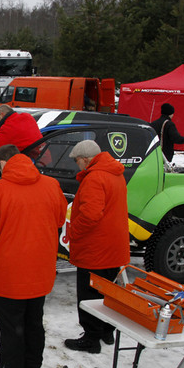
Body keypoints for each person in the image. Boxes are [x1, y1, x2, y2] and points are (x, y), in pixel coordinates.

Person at [0, 146, 67, 368]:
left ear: (3, 163)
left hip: (9, 273)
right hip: (41, 269)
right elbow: (59, 220)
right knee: (34, 321)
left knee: (12, 327)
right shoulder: (51, 185)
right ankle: (31, 367)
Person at [63, 140, 130, 354]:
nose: (77, 165)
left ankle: (91, 338)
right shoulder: (115, 173)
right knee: (107, 291)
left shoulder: (94, 178)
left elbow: (90, 215)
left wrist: (73, 232)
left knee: (89, 293)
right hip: (114, 245)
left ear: (85, 159)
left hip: (95, 248)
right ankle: (106, 330)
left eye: (77, 160)